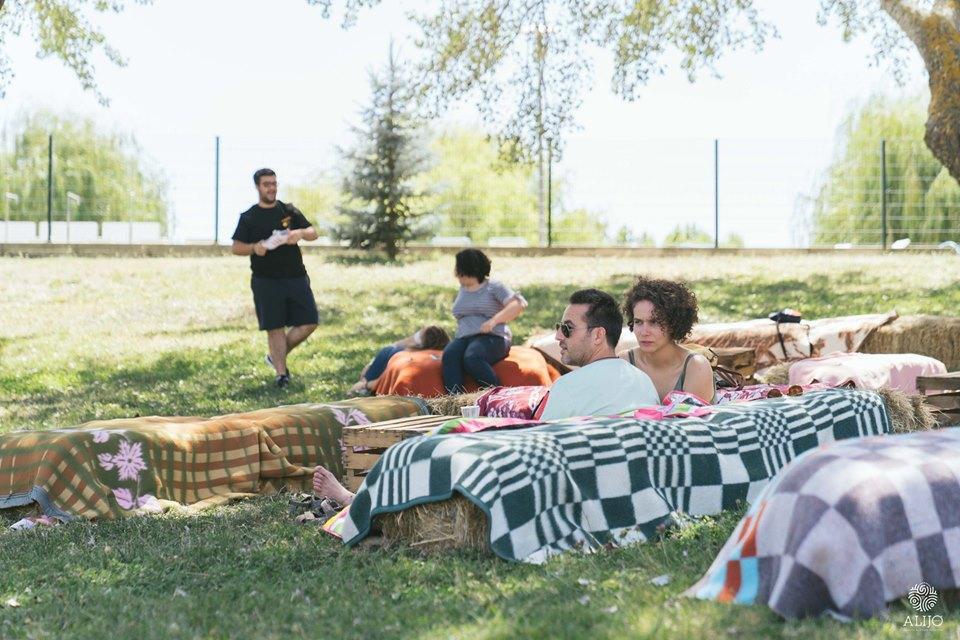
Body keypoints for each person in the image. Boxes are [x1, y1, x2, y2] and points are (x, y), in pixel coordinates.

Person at [231, 168, 319, 388]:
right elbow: (236, 247)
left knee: (309, 322)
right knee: (275, 326)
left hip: (296, 276)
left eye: (274, 183)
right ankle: (281, 375)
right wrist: (255, 247)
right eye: (266, 184)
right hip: (266, 280)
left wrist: (300, 233)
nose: (271, 188)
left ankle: (275, 356)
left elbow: (313, 233)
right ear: (257, 187)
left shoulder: (288, 210)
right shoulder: (249, 216)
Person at [538, 289, 659, 420]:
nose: (558, 336)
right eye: (559, 327)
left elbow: (542, 432)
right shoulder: (644, 381)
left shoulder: (567, 387)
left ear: (598, 335)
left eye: (567, 328)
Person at [442, 249, 527, 394]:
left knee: (472, 357)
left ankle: (497, 395)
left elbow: (517, 305)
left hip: (492, 337)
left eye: (458, 268)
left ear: (467, 268)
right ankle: (454, 399)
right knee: (449, 355)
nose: (455, 273)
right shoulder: (463, 289)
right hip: (464, 337)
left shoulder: (494, 286)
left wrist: (493, 321)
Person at [619, 277, 715, 402]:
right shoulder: (624, 363)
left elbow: (693, 415)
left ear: (673, 324)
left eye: (654, 322)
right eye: (638, 322)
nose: (644, 332)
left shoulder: (696, 367)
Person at [348, 325, 451, 396]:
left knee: (389, 350)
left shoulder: (403, 358)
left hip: (405, 399)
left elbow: (381, 382)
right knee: (391, 350)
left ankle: (363, 383)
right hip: (441, 398)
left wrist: (365, 385)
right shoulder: (448, 356)